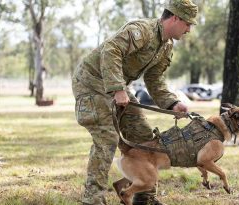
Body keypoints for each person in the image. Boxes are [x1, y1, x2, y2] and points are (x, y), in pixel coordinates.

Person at [71, 0, 198, 204]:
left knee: (144, 138)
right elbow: (111, 50)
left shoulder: (166, 46)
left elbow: (154, 80)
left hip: (116, 85)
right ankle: (93, 199)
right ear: (175, 18)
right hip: (91, 82)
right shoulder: (142, 30)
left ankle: (144, 198)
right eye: (188, 24)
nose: (189, 29)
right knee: (107, 138)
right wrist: (118, 88)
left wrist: (172, 104)